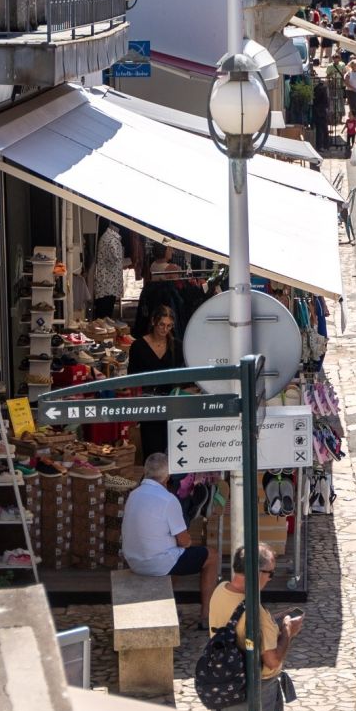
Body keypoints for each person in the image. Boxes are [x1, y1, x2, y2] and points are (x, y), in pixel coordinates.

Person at [209, 544, 303, 711]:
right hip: (255, 690)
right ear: (257, 572)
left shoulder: (220, 590)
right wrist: (287, 631)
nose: (270, 579)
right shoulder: (255, 613)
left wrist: (270, 622)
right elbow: (272, 660)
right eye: (270, 573)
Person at [122, 452, 218, 618]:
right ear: (167, 477)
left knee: (172, 554)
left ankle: (168, 605)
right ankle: (206, 614)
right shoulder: (168, 499)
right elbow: (184, 541)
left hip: (133, 560)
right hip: (156, 563)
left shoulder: (133, 495)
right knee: (212, 556)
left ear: (146, 472)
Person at [126, 305, 185, 461]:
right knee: (152, 450)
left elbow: (183, 377)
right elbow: (131, 377)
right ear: (153, 321)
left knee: (174, 449)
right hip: (149, 405)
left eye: (169, 326)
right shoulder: (138, 346)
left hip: (172, 405)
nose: (164, 329)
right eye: (161, 324)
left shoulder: (177, 347)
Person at [89, 223, 125, 318]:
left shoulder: (108, 238)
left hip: (107, 284)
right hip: (108, 285)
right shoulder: (112, 240)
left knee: (104, 314)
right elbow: (115, 259)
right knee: (105, 315)